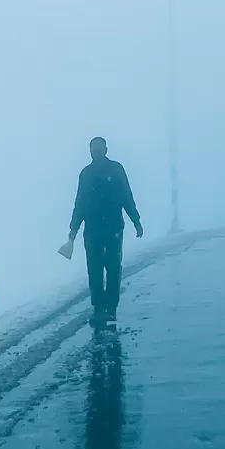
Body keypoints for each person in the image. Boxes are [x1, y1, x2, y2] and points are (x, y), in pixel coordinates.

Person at [69, 136, 142, 323]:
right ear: (90, 151)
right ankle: (98, 306)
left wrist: (136, 220)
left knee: (113, 267)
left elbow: (127, 195)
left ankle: (111, 307)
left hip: (113, 227)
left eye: (99, 149)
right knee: (94, 268)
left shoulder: (116, 170)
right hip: (92, 229)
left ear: (106, 150)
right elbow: (80, 202)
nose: (96, 153)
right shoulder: (85, 174)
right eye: (93, 150)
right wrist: (73, 229)